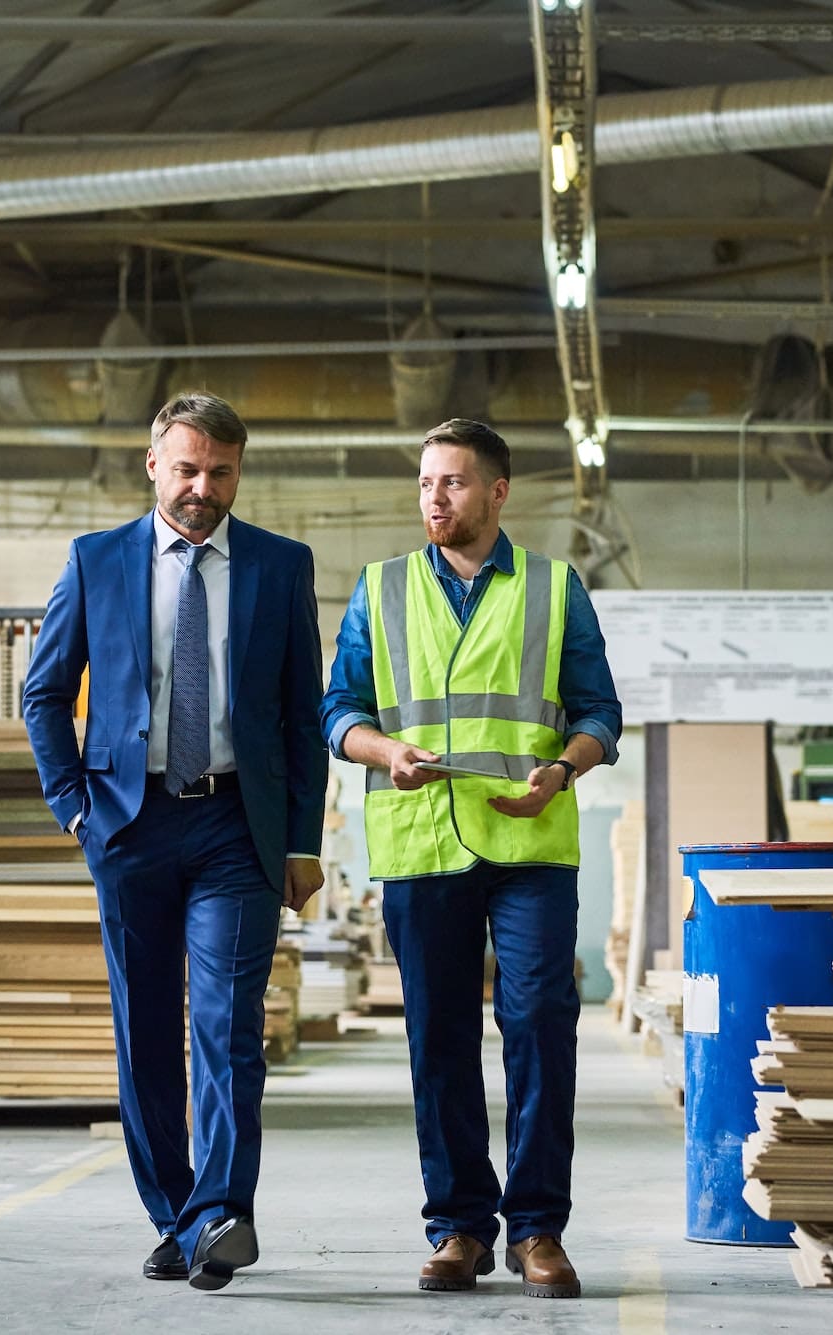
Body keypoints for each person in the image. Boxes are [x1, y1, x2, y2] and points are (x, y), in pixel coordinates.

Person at [23, 391, 327, 1292]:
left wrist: (302, 840)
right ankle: (175, 1213)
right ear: (153, 463)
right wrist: (75, 807)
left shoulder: (279, 566)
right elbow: (44, 695)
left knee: (229, 1025)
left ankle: (223, 1213)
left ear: (239, 471)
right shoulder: (95, 562)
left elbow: (302, 718)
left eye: (221, 472)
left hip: (239, 826)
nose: (203, 487)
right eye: (188, 469)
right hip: (130, 822)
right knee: (144, 1027)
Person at [321, 418, 621, 1300]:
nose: (434, 499)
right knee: (439, 1038)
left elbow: (600, 713)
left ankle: (536, 1229)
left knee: (537, 1023)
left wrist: (564, 768)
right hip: (421, 841)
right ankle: (457, 1225)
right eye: (425, 483)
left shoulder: (556, 587)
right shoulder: (378, 590)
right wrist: (386, 754)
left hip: (529, 837)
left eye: (453, 483)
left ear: (497, 493)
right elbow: (339, 709)